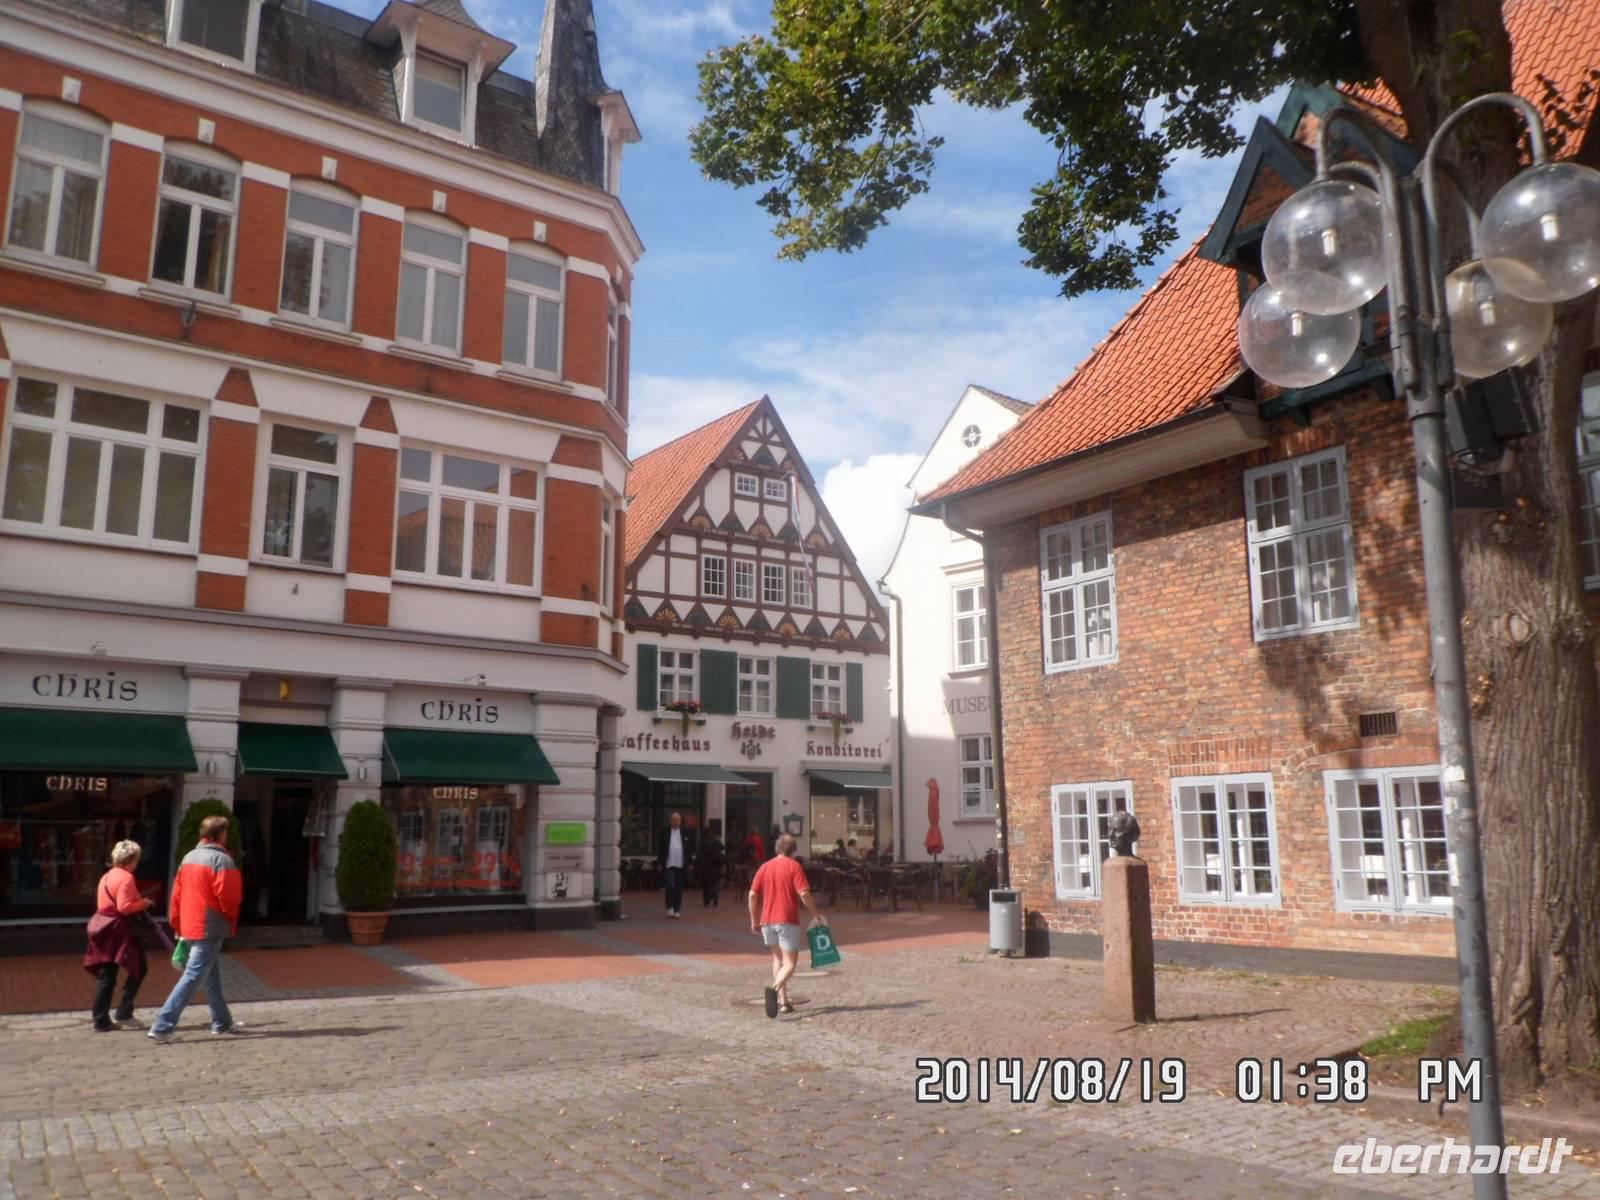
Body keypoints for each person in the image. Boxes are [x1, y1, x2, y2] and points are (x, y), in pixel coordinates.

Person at [148, 815, 244, 1042]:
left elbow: (177, 894)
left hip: (191, 923)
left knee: (210, 976)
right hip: (209, 926)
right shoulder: (222, 860)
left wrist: (177, 922)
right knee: (193, 976)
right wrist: (230, 919)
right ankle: (163, 1026)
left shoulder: (189, 857)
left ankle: (222, 1022)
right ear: (220, 834)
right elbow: (230, 898)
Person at [748, 833, 825, 1018]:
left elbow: (752, 895)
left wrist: (754, 920)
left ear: (777, 848)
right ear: (793, 851)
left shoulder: (765, 867)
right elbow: (804, 894)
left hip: (767, 920)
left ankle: (784, 1003)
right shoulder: (793, 866)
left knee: (778, 960)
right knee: (789, 964)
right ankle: (774, 990)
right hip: (787, 920)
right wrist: (816, 914)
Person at [84, 840, 152, 1031]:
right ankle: (123, 1011)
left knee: (107, 974)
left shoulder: (106, 876)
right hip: (118, 930)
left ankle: (101, 1018)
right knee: (139, 968)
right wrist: (145, 903)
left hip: (103, 926)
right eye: (136, 859)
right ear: (131, 860)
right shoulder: (126, 877)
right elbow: (124, 907)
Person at [656, 811, 697, 919]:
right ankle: (669, 907)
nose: (675, 822)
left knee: (678, 888)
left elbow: (689, 849)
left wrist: (690, 862)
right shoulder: (665, 832)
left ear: (680, 821)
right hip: (668, 864)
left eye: (677, 820)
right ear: (670, 820)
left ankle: (677, 909)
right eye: (673, 820)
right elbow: (660, 848)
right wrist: (659, 862)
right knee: (670, 886)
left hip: (680, 865)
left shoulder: (685, 832)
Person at [700, 824, 726, 908]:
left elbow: (699, 853)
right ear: (710, 832)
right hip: (715, 864)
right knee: (715, 881)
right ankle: (715, 897)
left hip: (705, 865)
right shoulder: (715, 839)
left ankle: (707, 900)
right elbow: (723, 847)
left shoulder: (702, 841)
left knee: (706, 882)